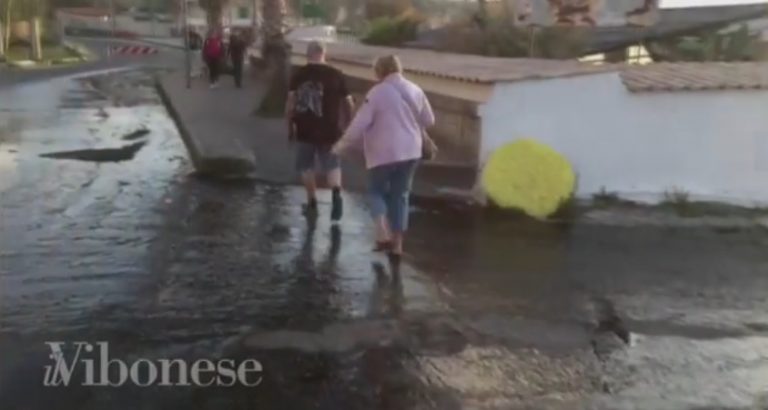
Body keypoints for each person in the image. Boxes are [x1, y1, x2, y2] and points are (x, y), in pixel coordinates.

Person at [332, 55, 435, 258]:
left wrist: (342, 143)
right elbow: (429, 120)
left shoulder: (377, 93)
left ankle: (381, 232)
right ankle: (397, 247)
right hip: (411, 152)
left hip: (383, 153)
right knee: (400, 196)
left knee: (376, 191)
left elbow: (360, 123)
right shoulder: (415, 89)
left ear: (380, 71)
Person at [286, 40, 354, 222]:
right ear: (324, 54)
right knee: (332, 164)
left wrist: (289, 126)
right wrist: (347, 124)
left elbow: (290, 105)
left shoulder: (298, 75)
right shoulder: (336, 75)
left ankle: (312, 202)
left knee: (306, 166)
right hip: (331, 129)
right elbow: (349, 103)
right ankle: (337, 193)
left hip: (304, 128)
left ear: (308, 54)